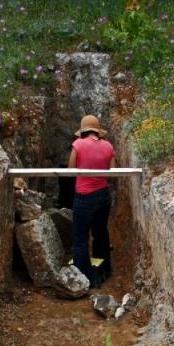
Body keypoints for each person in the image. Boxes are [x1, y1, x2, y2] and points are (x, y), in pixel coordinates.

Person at [68, 114, 115, 286]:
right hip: (103, 195)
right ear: (97, 131)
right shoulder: (108, 146)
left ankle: (86, 278)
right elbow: (113, 173)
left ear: (83, 131)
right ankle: (103, 272)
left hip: (84, 196)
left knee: (80, 239)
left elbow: (70, 170)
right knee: (101, 234)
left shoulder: (78, 144)